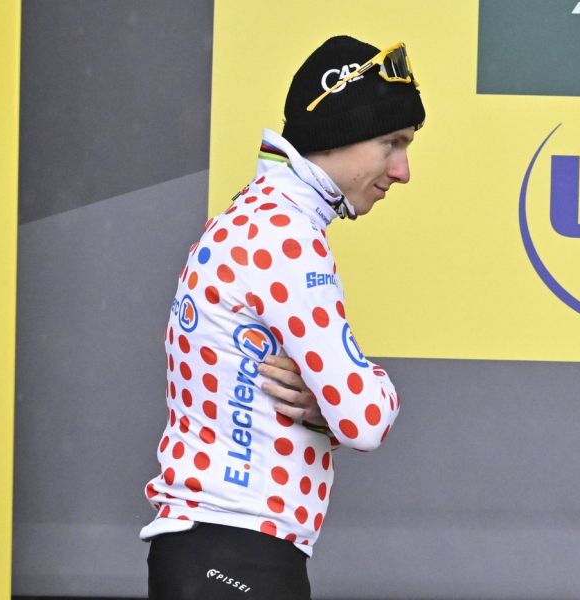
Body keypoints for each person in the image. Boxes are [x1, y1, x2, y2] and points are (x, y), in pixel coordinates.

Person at [141, 35, 425, 599]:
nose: (403, 170)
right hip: (238, 551)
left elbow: (340, 411)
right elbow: (365, 418)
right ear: (337, 133)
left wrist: (327, 402)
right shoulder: (284, 234)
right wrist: (362, 393)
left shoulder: (259, 214)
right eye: (391, 142)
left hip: (217, 549)